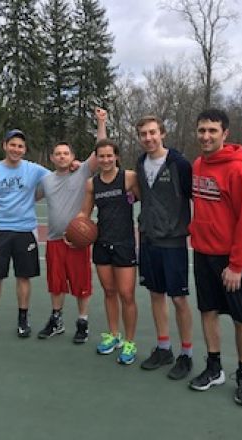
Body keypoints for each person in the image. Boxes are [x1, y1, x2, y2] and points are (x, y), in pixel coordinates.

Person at [188, 109, 242, 407]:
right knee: (208, 311)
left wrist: (236, 264)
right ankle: (214, 367)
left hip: (231, 261)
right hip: (203, 255)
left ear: (224, 134)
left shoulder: (238, 170)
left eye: (212, 131)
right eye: (202, 130)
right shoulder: (197, 165)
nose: (206, 136)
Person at [35, 108, 105, 343]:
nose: (62, 156)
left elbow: (100, 150)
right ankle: (57, 320)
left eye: (66, 153)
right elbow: (29, 199)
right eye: (58, 153)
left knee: (81, 285)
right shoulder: (45, 180)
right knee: (56, 285)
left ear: (72, 156)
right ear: (52, 158)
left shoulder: (83, 172)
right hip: (54, 240)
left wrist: (101, 122)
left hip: (77, 242)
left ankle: (82, 322)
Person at [0, 129, 50, 340]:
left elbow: (58, 177)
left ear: (25, 150)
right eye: (13, 145)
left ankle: (23, 321)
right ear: (5, 145)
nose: (16, 149)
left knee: (23, 277)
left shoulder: (34, 170)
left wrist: (74, 165)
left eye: (20, 146)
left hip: (26, 231)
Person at [135, 115, 194, 380]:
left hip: (173, 241)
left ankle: (187, 354)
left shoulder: (179, 164)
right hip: (148, 239)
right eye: (143, 134)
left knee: (179, 299)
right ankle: (164, 347)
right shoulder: (139, 163)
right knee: (155, 294)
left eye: (152, 133)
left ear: (163, 133)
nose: (148, 138)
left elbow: (196, 198)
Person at [78, 138, 140, 365]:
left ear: (117, 157)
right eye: (101, 156)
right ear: (97, 158)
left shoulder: (129, 178)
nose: (105, 160)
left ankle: (130, 342)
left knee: (127, 294)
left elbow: (145, 198)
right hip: (102, 244)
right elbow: (84, 214)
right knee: (109, 291)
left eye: (109, 155)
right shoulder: (92, 184)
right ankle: (114, 335)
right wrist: (74, 230)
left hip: (124, 244)